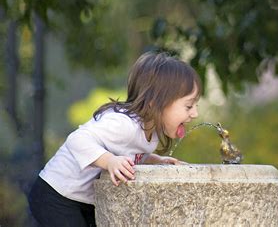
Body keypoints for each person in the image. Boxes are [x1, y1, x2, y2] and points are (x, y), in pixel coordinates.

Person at [28, 51, 202, 227]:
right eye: (188, 106)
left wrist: (155, 160)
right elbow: (77, 140)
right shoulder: (123, 124)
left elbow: (129, 152)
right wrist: (109, 161)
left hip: (82, 200)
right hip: (55, 194)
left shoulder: (153, 132)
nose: (195, 114)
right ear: (155, 102)